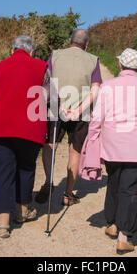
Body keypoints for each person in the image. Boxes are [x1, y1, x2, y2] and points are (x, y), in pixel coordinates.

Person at [85, 48, 137, 254]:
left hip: (113, 146)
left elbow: (96, 118)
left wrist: (92, 139)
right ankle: (124, 236)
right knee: (132, 189)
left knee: (114, 183)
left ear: (120, 65)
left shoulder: (108, 86)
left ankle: (112, 224)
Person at [0, 35, 49, 238]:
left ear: (12, 50)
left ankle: (3, 224)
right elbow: (47, 98)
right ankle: (21, 212)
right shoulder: (41, 68)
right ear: (31, 52)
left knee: (1, 171)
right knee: (25, 167)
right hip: (29, 127)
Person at [35, 29, 102, 206]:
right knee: (75, 150)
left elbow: (47, 81)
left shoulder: (55, 55)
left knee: (50, 145)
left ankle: (49, 181)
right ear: (86, 45)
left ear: (69, 40)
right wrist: (79, 110)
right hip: (82, 113)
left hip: (56, 108)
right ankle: (68, 194)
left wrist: (60, 105)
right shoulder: (93, 60)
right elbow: (95, 89)